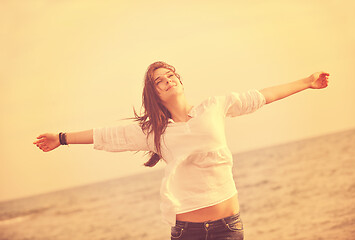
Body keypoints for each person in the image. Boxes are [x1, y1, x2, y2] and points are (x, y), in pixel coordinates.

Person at [33, 61, 329, 240]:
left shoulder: (214, 106)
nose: (167, 80)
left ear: (181, 80)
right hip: (188, 232)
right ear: (155, 95)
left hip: (228, 227)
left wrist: (307, 82)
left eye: (170, 75)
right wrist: (61, 137)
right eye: (159, 81)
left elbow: (262, 96)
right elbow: (106, 135)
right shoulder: (153, 131)